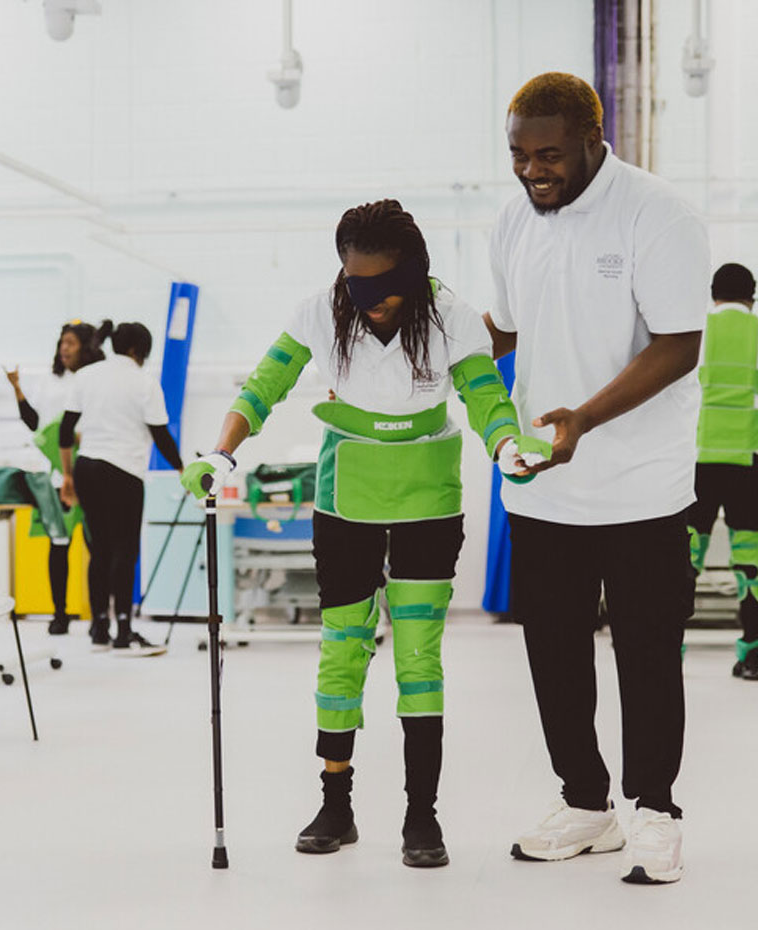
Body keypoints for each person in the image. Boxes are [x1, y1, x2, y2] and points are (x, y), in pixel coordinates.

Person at [180, 199, 543, 868]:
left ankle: (420, 817)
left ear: (415, 269)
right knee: (344, 650)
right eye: (358, 286)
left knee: (417, 658)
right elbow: (264, 385)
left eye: (384, 287)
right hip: (345, 494)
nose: (371, 302)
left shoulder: (452, 317)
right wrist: (222, 451)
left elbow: (487, 396)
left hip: (427, 497)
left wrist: (508, 448)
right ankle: (336, 802)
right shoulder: (323, 310)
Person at [482, 72, 710, 884]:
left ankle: (655, 809)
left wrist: (583, 416)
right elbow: (505, 331)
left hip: (642, 486)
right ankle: (586, 802)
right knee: (554, 655)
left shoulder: (657, 212)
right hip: (545, 485)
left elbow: (680, 343)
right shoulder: (512, 221)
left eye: (547, 155)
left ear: (591, 139)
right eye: (518, 154)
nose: (532, 170)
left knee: (648, 651)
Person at [686, 263, 758, 681]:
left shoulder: (692, 332)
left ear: (712, 294)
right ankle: (751, 655)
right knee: (749, 558)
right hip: (751, 461)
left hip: (695, 459)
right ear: (754, 296)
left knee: (685, 553)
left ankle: (667, 649)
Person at [59, 320, 182, 656]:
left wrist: (68, 476)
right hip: (123, 471)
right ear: (138, 350)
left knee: (99, 549)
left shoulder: (87, 375)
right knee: (124, 551)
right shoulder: (144, 382)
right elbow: (161, 435)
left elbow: (65, 430)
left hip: (87, 468)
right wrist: (183, 467)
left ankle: (99, 628)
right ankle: (124, 631)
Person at [3, 320, 104, 634]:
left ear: (85, 348)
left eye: (71, 343)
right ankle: (60, 614)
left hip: (83, 467)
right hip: (49, 472)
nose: (64, 348)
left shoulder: (91, 381)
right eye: (63, 342)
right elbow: (35, 424)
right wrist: (17, 389)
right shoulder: (49, 381)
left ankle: (99, 616)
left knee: (95, 543)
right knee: (57, 540)